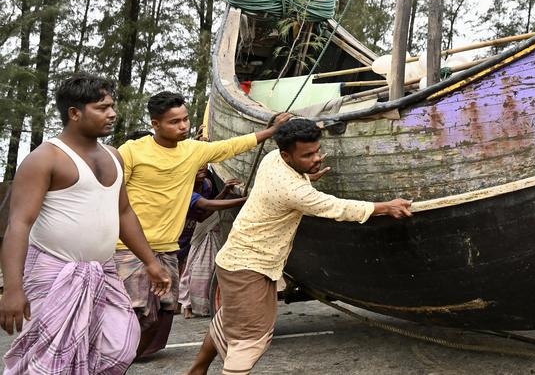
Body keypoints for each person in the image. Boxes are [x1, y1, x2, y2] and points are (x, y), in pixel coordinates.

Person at [186, 118, 414, 375]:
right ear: (287, 154)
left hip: (238, 259)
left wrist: (306, 173)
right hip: (249, 266)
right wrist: (385, 207)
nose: (316, 158)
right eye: (307, 155)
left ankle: (197, 370)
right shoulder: (294, 190)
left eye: (317, 150)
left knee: (229, 319)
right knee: (251, 339)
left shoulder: (272, 159)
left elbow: (296, 181)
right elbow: (335, 207)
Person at [0, 74, 172, 374]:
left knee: (120, 347)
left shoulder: (114, 156)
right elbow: (18, 224)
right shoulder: (45, 159)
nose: (112, 113)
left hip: (102, 271)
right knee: (50, 363)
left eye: (112, 106)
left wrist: (150, 262)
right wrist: (12, 288)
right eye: (102, 107)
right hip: (52, 271)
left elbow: (124, 213)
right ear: (75, 113)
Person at [115, 90, 290, 359]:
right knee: (133, 310)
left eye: (185, 119)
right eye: (175, 122)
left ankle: (128, 358)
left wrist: (273, 130)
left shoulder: (192, 151)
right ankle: (113, 358)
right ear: (155, 124)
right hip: (130, 248)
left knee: (162, 311)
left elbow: (233, 145)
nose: (184, 126)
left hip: (168, 248)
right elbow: (112, 192)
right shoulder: (131, 151)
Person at [178, 169, 246, 318]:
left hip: (202, 225)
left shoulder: (207, 184)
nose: (201, 168)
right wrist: (245, 199)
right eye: (197, 166)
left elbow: (206, 212)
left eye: (203, 165)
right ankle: (189, 304)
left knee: (202, 264)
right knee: (197, 265)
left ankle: (192, 303)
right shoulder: (184, 190)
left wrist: (224, 192)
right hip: (190, 230)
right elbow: (207, 207)